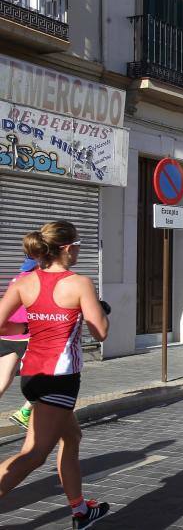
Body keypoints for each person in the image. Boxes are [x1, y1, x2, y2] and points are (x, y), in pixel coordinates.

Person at [0, 221, 110, 529]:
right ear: (65, 248)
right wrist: (99, 310)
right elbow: (100, 331)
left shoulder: (24, 282)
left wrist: (27, 328)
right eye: (76, 244)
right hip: (60, 379)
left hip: (32, 376)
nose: (78, 249)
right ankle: (80, 511)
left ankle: (80, 511)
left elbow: (1, 325)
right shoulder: (79, 283)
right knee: (34, 454)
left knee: (72, 436)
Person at [0, 257, 37, 430]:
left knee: (1, 382)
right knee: (47, 378)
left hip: (8, 334)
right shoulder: (38, 280)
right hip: (29, 334)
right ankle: (24, 412)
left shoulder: (18, 278)